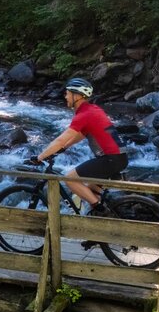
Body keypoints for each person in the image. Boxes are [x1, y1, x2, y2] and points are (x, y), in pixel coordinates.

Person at [29, 77, 128, 213]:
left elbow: (60, 140)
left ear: (77, 96)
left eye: (67, 93)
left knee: (70, 179)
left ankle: (102, 210)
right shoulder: (92, 109)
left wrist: (40, 157)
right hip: (119, 158)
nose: (65, 96)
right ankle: (99, 215)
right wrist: (62, 149)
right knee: (90, 190)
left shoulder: (84, 115)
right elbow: (80, 135)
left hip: (110, 159)